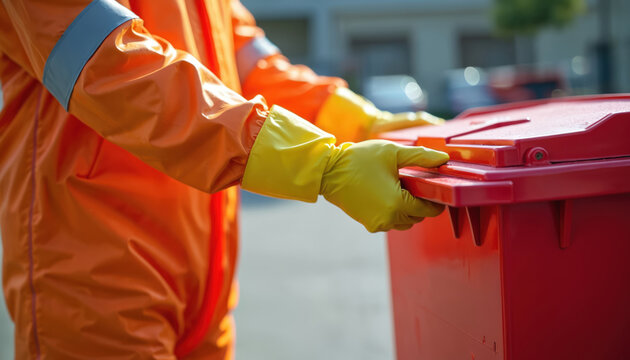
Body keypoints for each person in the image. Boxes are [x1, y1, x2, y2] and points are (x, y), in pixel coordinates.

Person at [0, 0, 448, 358]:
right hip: (92, 275)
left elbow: (244, 64)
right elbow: (116, 70)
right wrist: (321, 164)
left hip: (203, 285)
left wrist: (354, 122)